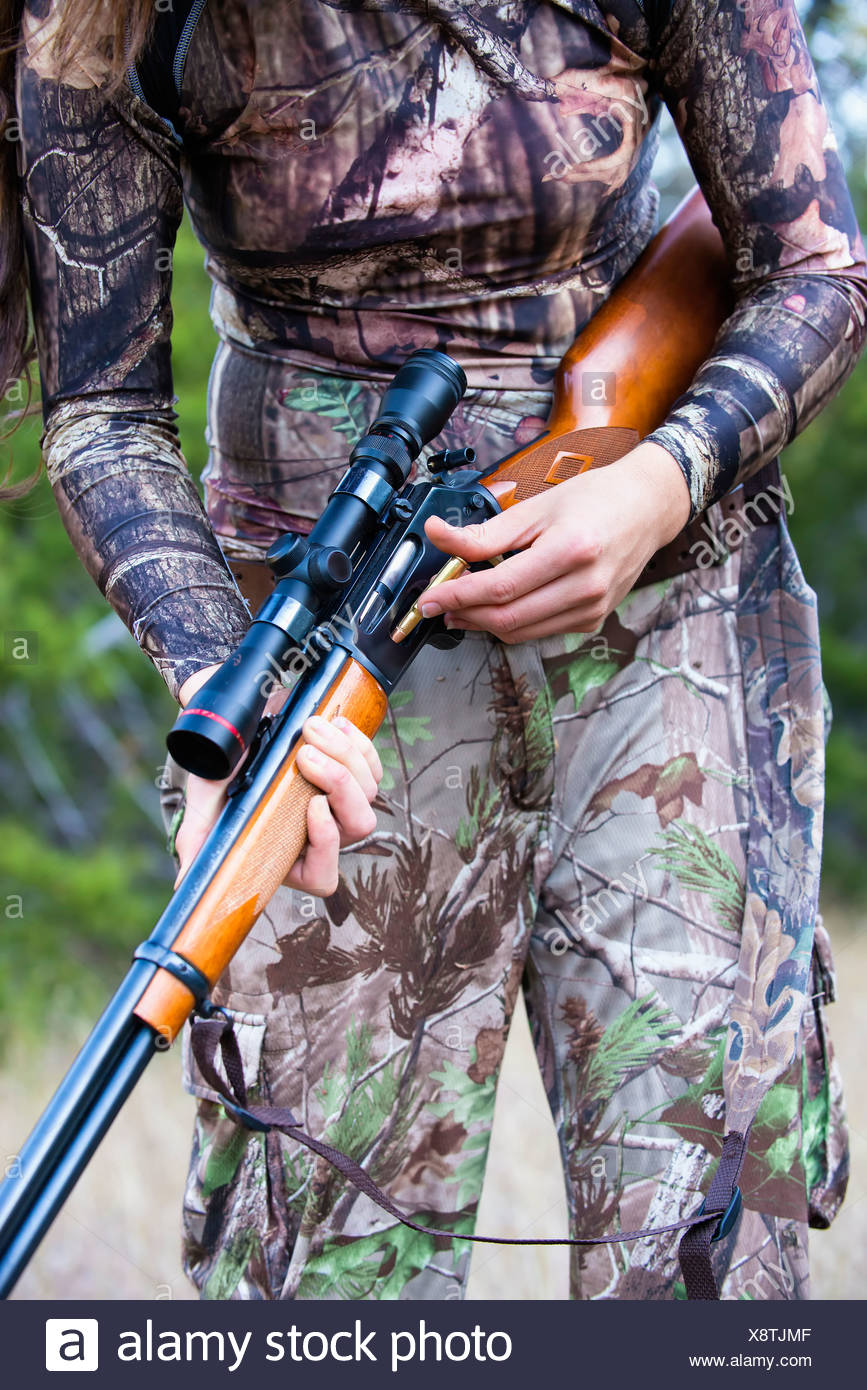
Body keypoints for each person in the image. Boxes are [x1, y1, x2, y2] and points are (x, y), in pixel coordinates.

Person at [3, 0, 864, 1301]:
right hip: (317, 664)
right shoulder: (97, 15)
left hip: (665, 622)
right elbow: (103, 411)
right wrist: (214, 694)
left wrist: (658, 485)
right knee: (323, 1279)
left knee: (705, 1248)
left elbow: (816, 268)